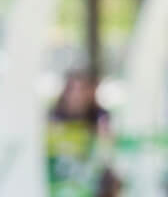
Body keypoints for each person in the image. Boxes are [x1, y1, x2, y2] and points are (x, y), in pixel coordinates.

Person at [48, 69, 121, 197]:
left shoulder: (99, 113)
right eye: (74, 89)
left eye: (82, 89)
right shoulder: (56, 114)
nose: (78, 95)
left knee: (109, 178)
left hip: (90, 166)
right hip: (63, 167)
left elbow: (107, 140)